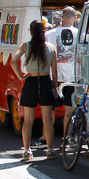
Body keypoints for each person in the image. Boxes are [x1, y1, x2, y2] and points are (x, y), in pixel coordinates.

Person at [11, 20, 58, 161]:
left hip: (30, 81)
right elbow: (54, 72)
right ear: (44, 32)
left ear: (31, 32)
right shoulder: (51, 48)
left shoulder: (25, 46)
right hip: (45, 81)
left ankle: (26, 151)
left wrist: (21, 76)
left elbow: (13, 61)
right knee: (47, 119)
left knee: (28, 120)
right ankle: (50, 150)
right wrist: (54, 86)